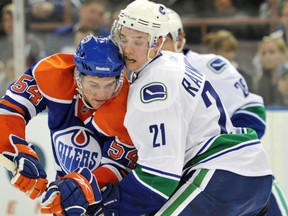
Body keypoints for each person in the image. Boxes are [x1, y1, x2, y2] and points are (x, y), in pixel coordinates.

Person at [61, 1, 271, 215]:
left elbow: (159, 177)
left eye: (139, 41)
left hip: (220, 176)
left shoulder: (153, 88)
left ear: (157, 42)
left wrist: (105, 205)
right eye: (123, 38)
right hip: (247, 175)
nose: (128, 49)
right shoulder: (172, 60)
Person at [162, 8, 288, 215]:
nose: (155, 46)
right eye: (146, 39)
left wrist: (225, 152)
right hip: (185, 180)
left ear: (180, 38)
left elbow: (252, 111)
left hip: (233, 175)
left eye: (163, 38)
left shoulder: (210, 65)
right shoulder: (139, 80)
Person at [0, 34, 137, 215]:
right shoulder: (51, 73)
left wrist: (81, 187)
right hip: (63, 191)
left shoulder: (130, 106)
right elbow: (9, 110)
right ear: (77, 76)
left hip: (107, 204)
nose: (102, 94)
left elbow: (119, 166)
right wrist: (15, 151)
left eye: (109, 85)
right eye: (94, 85)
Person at [44, 0, 110, 55]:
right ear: (82, 10)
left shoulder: (108, 40)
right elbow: (46, 62)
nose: (95, 17)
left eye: (100, 14)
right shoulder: (60, 35)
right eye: (92, 12)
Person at [254, 36, 287, 106]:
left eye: (272, 52)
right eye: (263, 53)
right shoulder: (258, 82)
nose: (267, 57)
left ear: (284, 54)